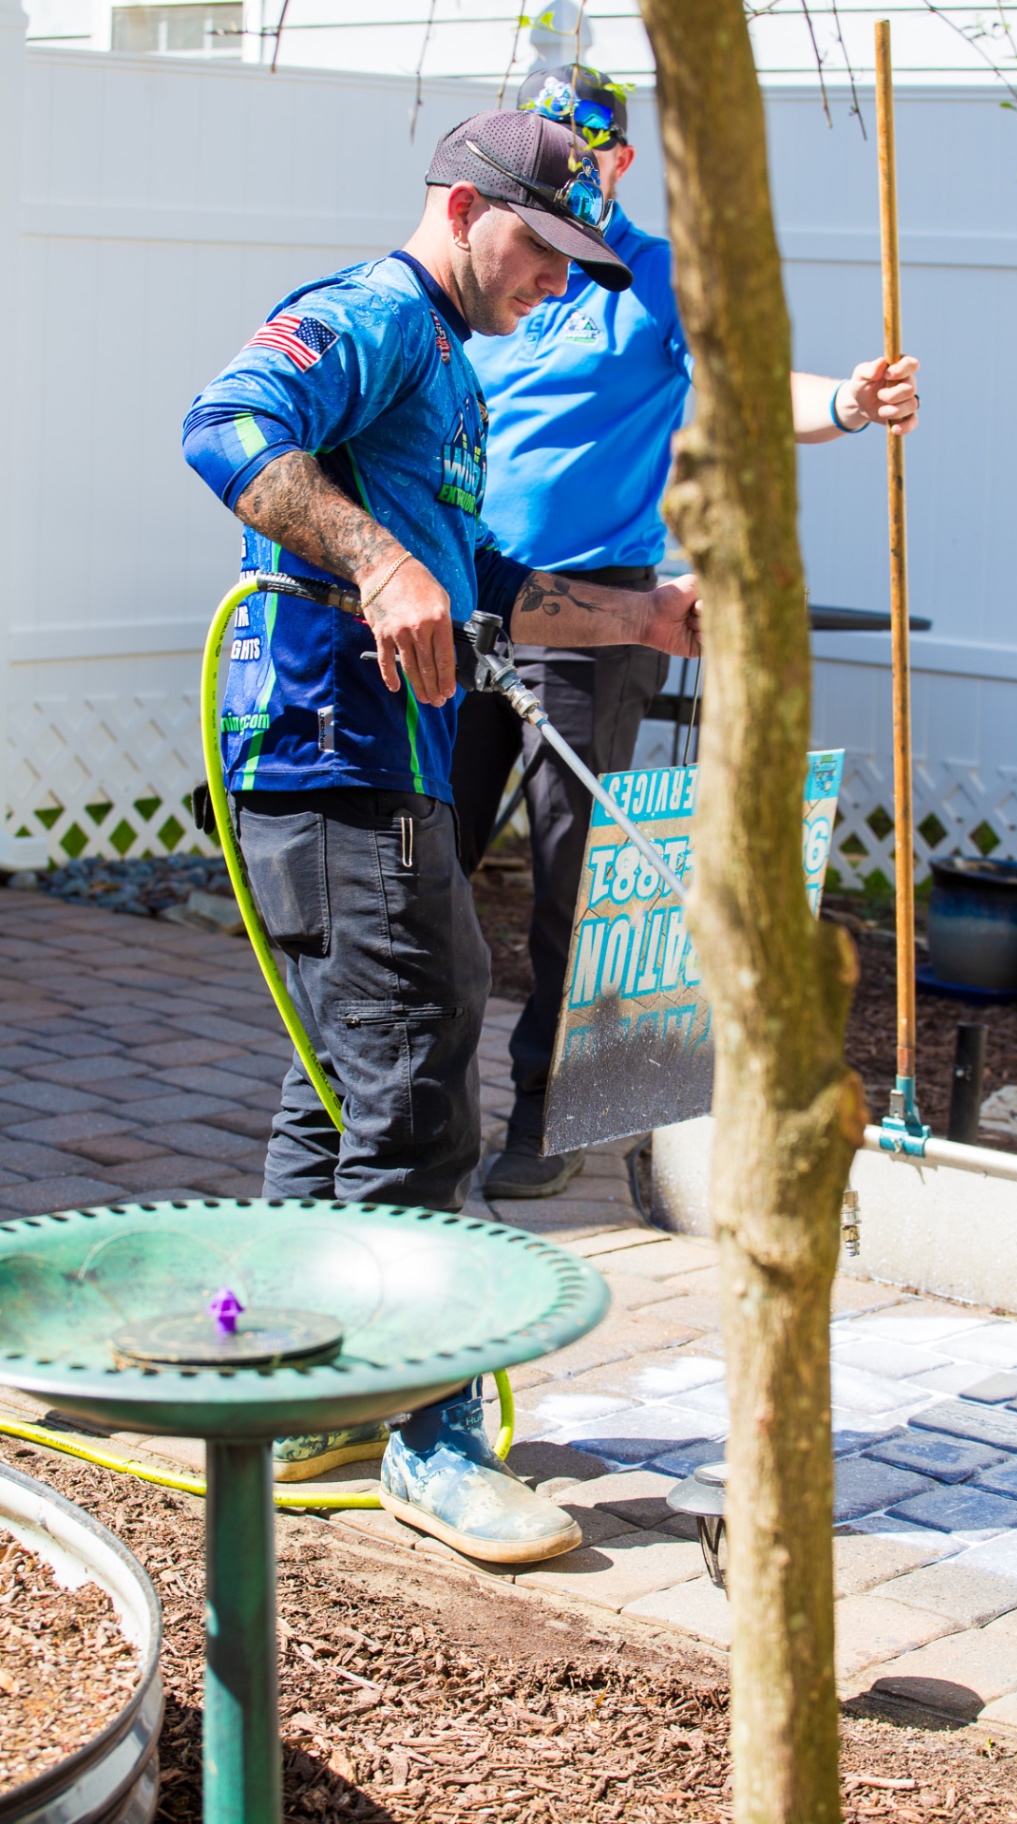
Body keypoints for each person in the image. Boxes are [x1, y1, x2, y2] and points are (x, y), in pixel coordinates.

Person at [182, 109, 699, 1564]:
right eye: (539, 246)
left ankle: (302, 1379)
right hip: (339, 770)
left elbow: (486, 596)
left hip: (377, 777)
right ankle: (425, 1434)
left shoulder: (454, 378)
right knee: (420, 1057)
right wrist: (377, 553)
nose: (553, 279)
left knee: (342, 1077)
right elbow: (221, 427)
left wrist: (636, 616)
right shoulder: (368, 319)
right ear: (467, 208)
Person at [453, 63, 921, 1200]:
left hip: (596, 613)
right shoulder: (487, 283)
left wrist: (853, 402)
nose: (577, 169)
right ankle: (417, 1107)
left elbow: (755, 384)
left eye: (594, 151)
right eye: (553, 148)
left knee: (571, 885)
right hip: (466, 596)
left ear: (621, 159)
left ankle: (545, 1126)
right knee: (432, 868)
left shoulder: (654, 279)